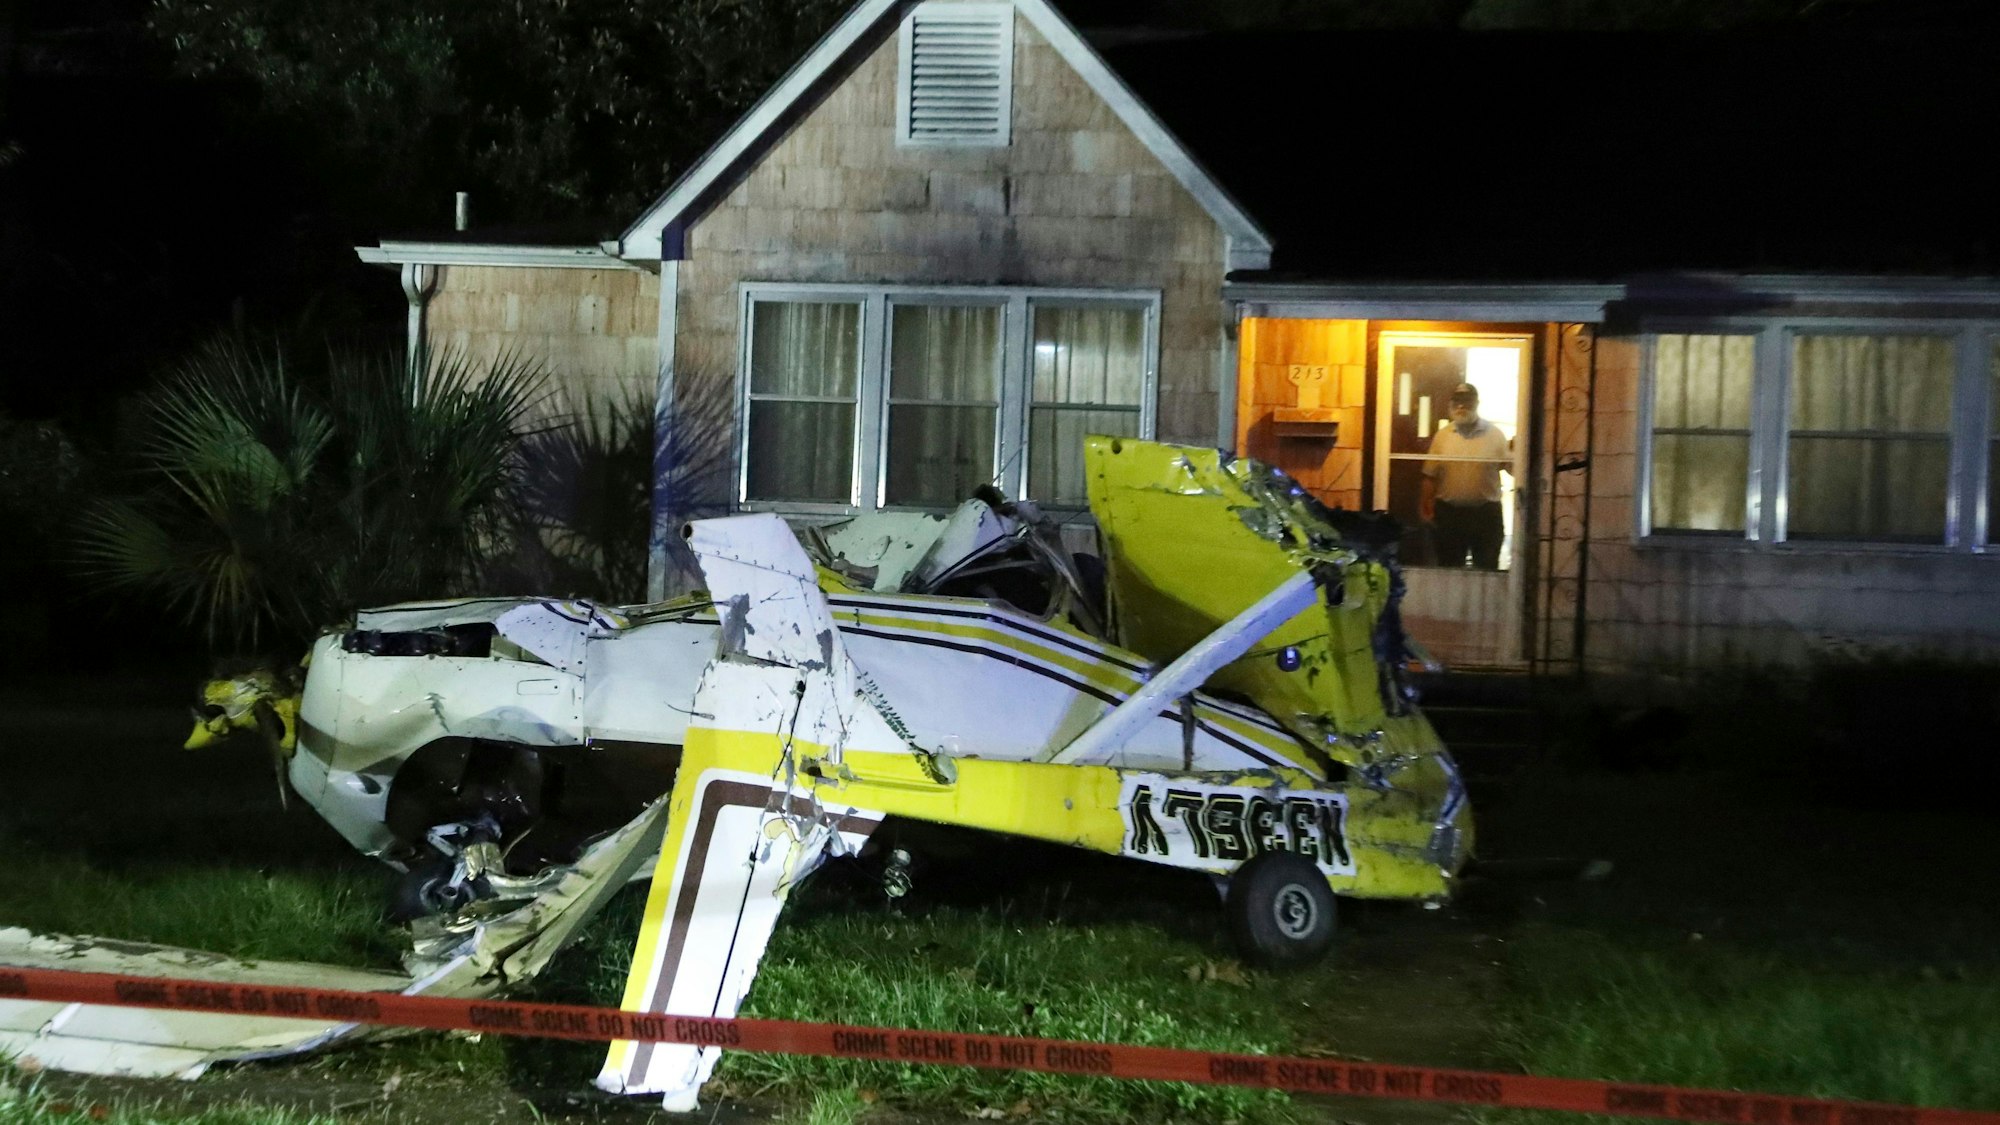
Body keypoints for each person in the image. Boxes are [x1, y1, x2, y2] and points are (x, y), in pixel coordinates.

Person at [1420, 383, 1511, 569]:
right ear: (1451, 403)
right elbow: (1430, 475)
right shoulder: (1442, 436)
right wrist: (1425, 504)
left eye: (1467, 401)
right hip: (1449, 516)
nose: (1461, 406)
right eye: (1457, 401)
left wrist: (1522, 451)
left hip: (1486, 516)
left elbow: (1511, 468)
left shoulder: (1495, 435)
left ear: (1477, 403)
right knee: (1448, 571)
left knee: (1487, 573)